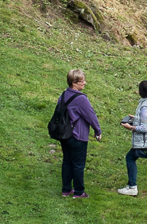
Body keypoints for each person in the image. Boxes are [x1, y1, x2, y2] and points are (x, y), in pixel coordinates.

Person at [57, 69, 103, 198]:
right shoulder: (81, 99)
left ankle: (66, 189)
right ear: (74, 83)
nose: (85, 83)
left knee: (67, 161)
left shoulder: (64, 94)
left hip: (65, 135)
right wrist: (98, 130)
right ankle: (78, 192)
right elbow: (91, 116)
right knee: (78, 164)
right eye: (82, 81)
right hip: (78, 135)